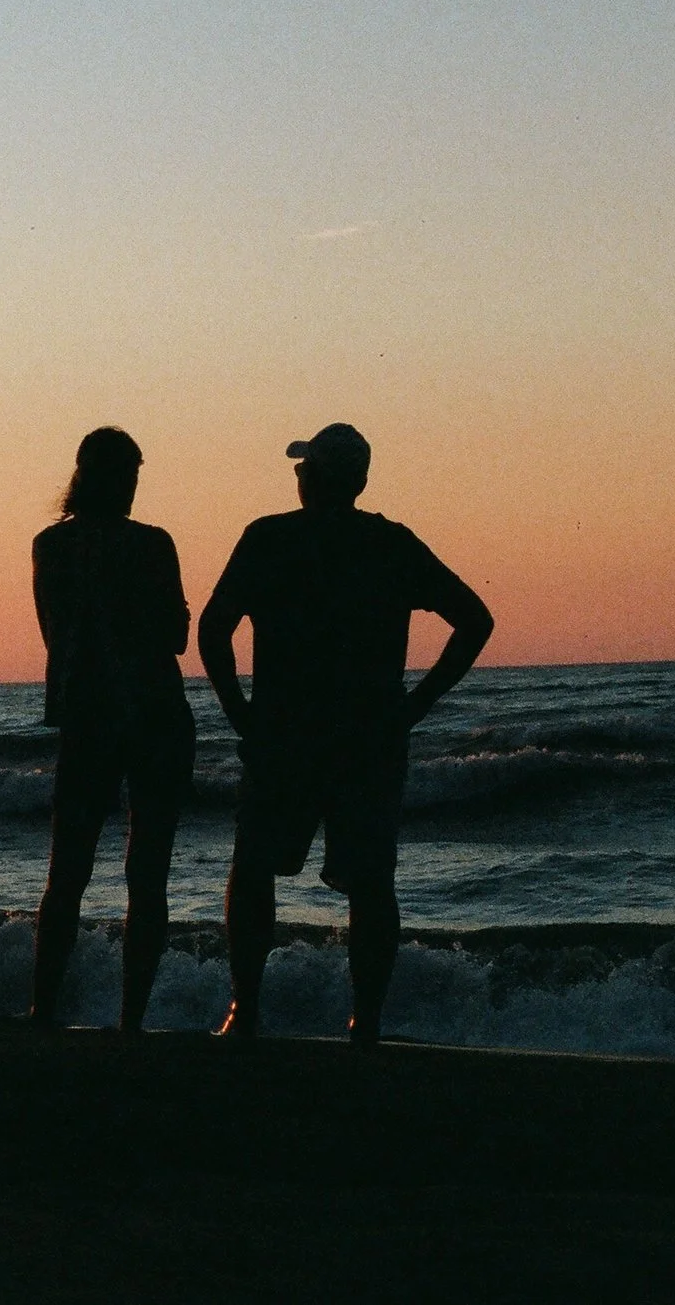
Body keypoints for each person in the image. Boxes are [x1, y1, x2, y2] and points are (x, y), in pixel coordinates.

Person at [198, 423, 492, 1047]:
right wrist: (414, 706)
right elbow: (474, 618)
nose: (297, 476)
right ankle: (366, 1021)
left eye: (303, 468)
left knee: (253, 870)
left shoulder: (271, 538)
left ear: (315, 477)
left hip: (286, 733)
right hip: (368, 736)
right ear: (359, 481)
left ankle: (244, 1008)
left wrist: (238, 712)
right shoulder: (389, 544)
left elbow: (214, 627)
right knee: (370, 883)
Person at [30, 427, 197, 1031]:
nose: (131, 488)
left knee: (67, 872)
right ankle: (131, 1020)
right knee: (146, 874)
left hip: (86, 716)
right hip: (155, 716)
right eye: (128, 476)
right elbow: (176, 636)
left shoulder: (49, 545)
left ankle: (42, 1009)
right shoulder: (153, 545)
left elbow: (56, 633)